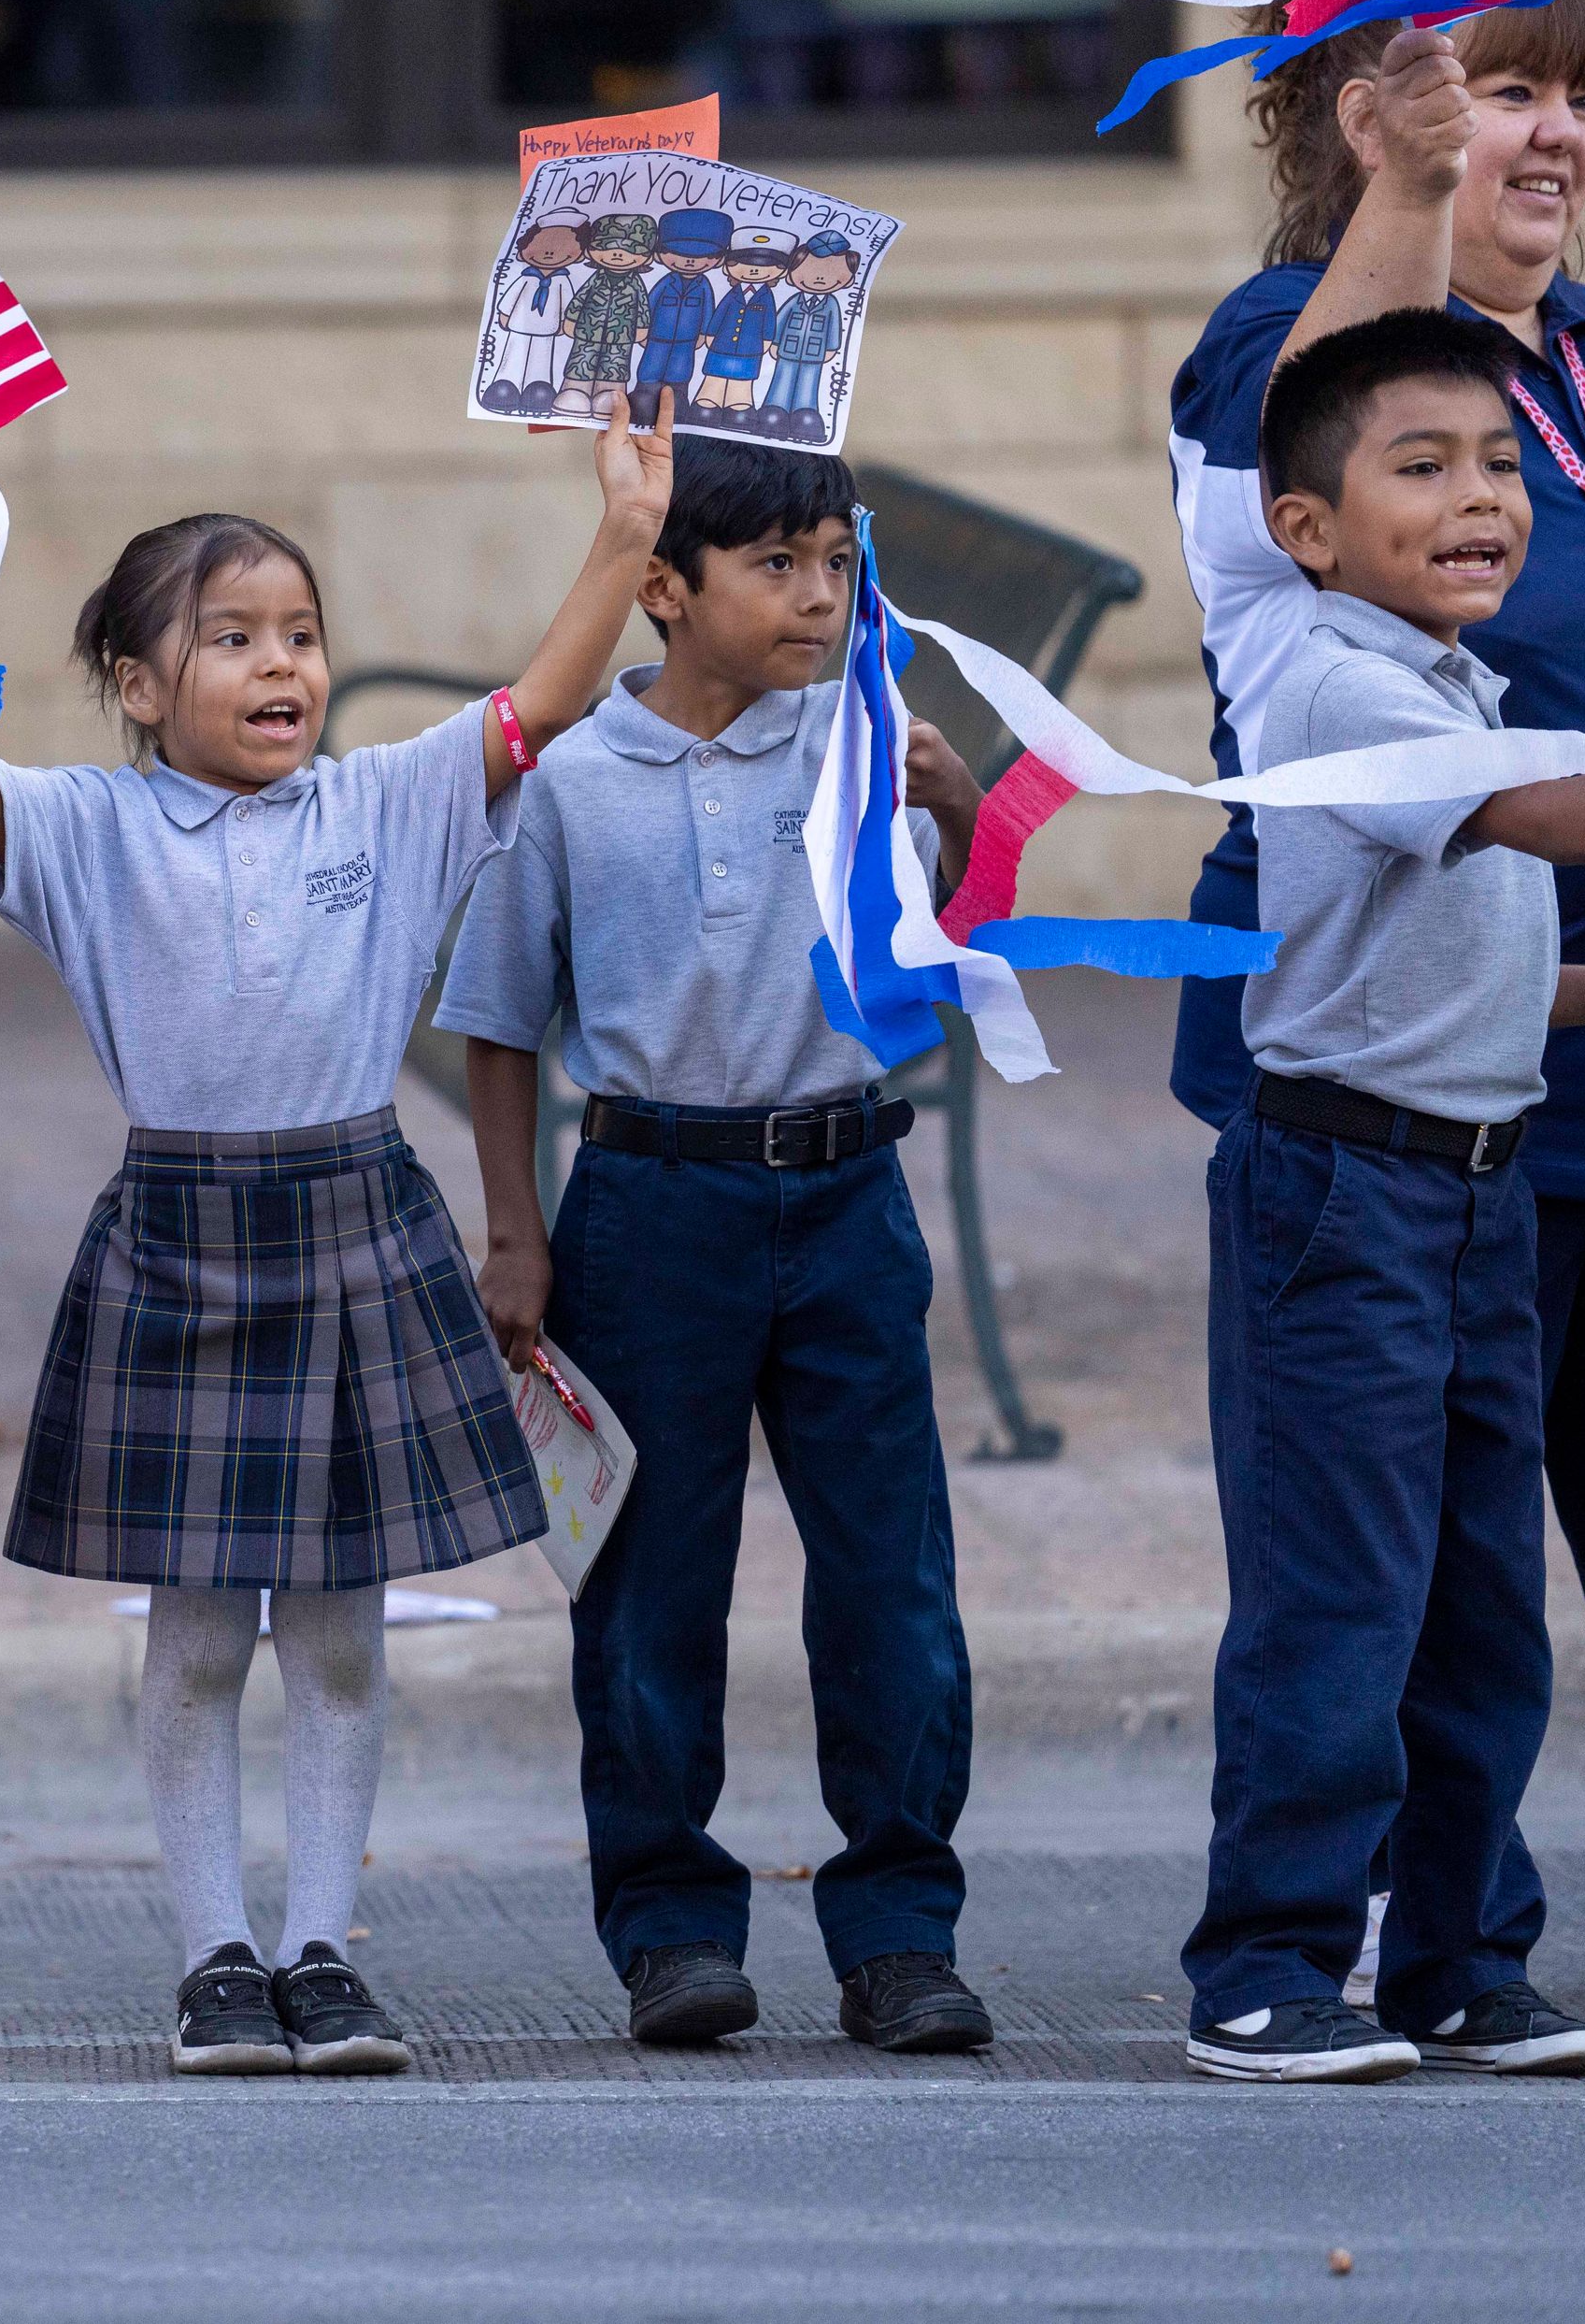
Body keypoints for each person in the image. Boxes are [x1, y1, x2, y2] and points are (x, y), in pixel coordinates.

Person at [0, 417, 672, 2077]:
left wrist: (623, 529)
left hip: (361, 1223)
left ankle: (321, 1952)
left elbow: (545, 701)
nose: (279, 664)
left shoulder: (394, 799)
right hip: (179, 1236)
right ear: (141, 687)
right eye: (231, 638)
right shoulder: (82, 829)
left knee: (343, 1632)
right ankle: (215, 1952)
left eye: (298, 633)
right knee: (204, 1628)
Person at [1167, 0, 1585, 2006]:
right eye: (1491, 80)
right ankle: (1297, 1946)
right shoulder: (1289, 356)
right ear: (1360, 101)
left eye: (1569, 92)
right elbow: (1341, 407)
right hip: (1374, 1088)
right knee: (1365, 1565)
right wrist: (1404, 190)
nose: (1539, 131)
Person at [441, 439, 995, 2058]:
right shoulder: (567, 777)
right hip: (647, 1210)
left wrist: (959, 816)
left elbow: (955, 951)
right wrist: (516, 1235)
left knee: (890, 1579)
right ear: (665, 589)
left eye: (835, 559)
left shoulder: (866, 743)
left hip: (845, 1193)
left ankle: (900, 1927)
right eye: (775, 564)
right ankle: (672, 1924)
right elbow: (497, 1021)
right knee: (647, 1584)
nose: (817, 594)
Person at [630, 207, 730, 429]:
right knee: (650, 368)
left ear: (719, 258)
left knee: (680, 371)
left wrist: (704, 332)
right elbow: (649, 304)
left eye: (702, 255)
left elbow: (708, 311)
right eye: (680, 253)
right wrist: (644, 328)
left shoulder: (704, 286)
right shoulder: (666, 282)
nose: (690, 261)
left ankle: (677, 400)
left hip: (686, 342)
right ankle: (643, 398)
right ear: (659, 253)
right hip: (656, 338)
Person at [484, 219, 592, 417]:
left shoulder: (562, 281)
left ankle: (538, 388)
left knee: (542, 358)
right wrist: (505, 314)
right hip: (519, 326)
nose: (550, 252)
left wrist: (564, 322)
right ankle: (505, 384)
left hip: (547, 330)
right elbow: (511, 297)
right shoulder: (526, 277)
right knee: (514, 354)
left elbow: (568, 305)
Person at [562, 215, 660, 426]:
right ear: (591, 250)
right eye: (606, 246)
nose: (618, 253)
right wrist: (571, 318)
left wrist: (642, 327)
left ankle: (609, 394)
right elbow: (580, 299)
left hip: (621, 337)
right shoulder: (596, 278)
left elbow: (642, 306)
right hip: (587, 332)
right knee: (581, 359)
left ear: (647, 256)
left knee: (615, 364)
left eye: (632, 249)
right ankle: (575, 390)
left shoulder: (635, 284)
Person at [764, 234, 856, 438]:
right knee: (782, 378)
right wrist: (774, 341)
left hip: (814, 354)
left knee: (809, 382)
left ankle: (805, 413)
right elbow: (780, 320)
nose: (820, 277)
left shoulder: (831, 304)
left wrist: (832, 348)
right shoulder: (794, 300)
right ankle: (774, 408)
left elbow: (834, 327)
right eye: (811, 270)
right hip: (787, 350)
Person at [694, 229, 792, 417]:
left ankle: (739, 405)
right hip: (721, 345)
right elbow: (719, 314)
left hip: (750, 349)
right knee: (714, 375)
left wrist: (766, 340)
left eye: (765, 265)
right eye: (744, 263)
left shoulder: (766, 297)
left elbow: (769, 321)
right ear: (728, 266)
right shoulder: (732, 294)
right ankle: (708, 402)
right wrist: (711, 333)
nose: (754, 269)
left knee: (743, 380)